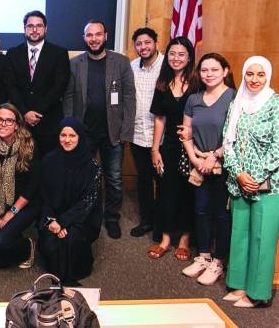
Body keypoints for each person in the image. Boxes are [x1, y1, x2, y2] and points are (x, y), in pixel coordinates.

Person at [222, 56, 279, 308]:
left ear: (268, 77)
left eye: (260, 74)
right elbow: (227, 143)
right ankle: (239, 285)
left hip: (270, 186)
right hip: (240, 182)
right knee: (240, 236)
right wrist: (239, 174)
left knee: (262, 240)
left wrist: (256, 177)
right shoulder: (237, 103)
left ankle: (257, 294)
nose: (254, 79)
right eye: (249, 74)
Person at [62, 20, 136, 239]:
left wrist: (126, 131)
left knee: (114, 179)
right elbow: (68, 96)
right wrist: (69, 127)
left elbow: (129, 98)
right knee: (83, 177)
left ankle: (112, 218)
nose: (93, 39)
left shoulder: (121, 62)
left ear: (106, 36)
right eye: (89, 35)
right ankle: (84, 214)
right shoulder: (75, 64)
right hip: (83, 133)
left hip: (113, 134)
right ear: (84, 38)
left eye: (98, 34)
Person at [179, 53, 235, 286]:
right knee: (201, 210)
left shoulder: (234, 98)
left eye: (214, 69)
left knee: (222, 214)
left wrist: (214, 156)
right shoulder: (193, 99)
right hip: (199, 164)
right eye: (204, 70)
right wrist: (195, 159)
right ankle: (203, 256)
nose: (209, 74)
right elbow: (186, 133)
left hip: (224, 164)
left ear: (225, 71)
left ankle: (218, 262)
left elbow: (236, 134)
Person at [37, 118, 102, 286]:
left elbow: (88, 201)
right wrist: (52, 220)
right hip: (53, 215)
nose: (67, 140)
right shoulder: (49, 161)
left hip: (81, 217)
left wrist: (63, 222)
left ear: (80, 137)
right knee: (50, 245)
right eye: (63, 135)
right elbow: (44, 195)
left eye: (72, 135)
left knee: (72, 240)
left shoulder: (92, 166)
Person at [147, 37, 196, 262]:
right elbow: (160, 118)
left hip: (193, 147)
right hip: (169, 146)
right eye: (172, 54)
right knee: (165, 191)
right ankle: (165, 239)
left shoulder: (197, 83)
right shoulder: (163, 82)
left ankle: (185, 239)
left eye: (181, 54)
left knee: (188, 192)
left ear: (189, 57)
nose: (176, 58)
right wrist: (155, 149)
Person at [0, 103, 39, 269]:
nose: (3, 124)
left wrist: (10, 213)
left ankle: (28, 246)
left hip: (25, 203)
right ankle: (13, 236)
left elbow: (33, 186)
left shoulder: (28, 146)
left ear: (17, 125)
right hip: (0, 202)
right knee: (0, 262)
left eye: (9, 120)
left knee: (1, 242)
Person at [6, 11, 71, 157]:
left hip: (49, 123)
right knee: (21, 165)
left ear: (45, 28)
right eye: (30, 26)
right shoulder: (13, 53)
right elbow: (10, 86)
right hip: (21, 123)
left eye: (39, 26)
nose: (34, 30)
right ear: (24, 29)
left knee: (48, 165)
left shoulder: (59, 53)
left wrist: (36, 112)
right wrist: (25, 113)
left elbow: (59, 87)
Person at [128, 27, 163, 237]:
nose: (143, 47)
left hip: (162, 136)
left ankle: (162, 223)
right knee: (144, 179)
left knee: (163, 181)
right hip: (138, 134)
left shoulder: (167, 66)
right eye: (139, 44)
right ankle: (147, 220)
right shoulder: (132, 66)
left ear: (156, 43)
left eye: (147, 42)